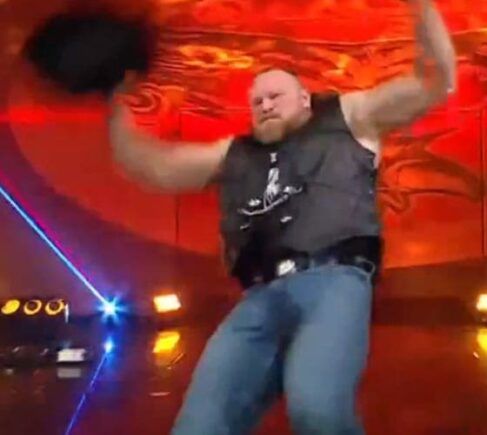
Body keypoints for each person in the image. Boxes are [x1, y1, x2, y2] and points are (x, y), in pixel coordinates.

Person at [107, 1, 456, 433]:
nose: (265, 105)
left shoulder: (351, 116)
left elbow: (433, 81)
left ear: (305, 98)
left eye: (275, 96)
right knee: (197, 426)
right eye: (257, 101)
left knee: (317, 409)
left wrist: (421, 7)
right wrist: (113, 103)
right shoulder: (235, 153)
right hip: (260, 297)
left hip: (333, 282)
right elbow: (153, 167)